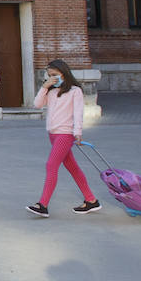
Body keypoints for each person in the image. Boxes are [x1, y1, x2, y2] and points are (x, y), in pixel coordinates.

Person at [26, 59, 101, 217]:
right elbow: (37, 104)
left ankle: (43, 205)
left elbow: (78, 113)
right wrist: (44, 87)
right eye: (49, 76)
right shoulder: (51, 91)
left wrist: (78, 132)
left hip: (65, 135)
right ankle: (91, 200)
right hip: (52, 134)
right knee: (72, 167)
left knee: (51, 165)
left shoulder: (75, 91)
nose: (52, 78)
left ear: (64, 73)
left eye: (55, 75)